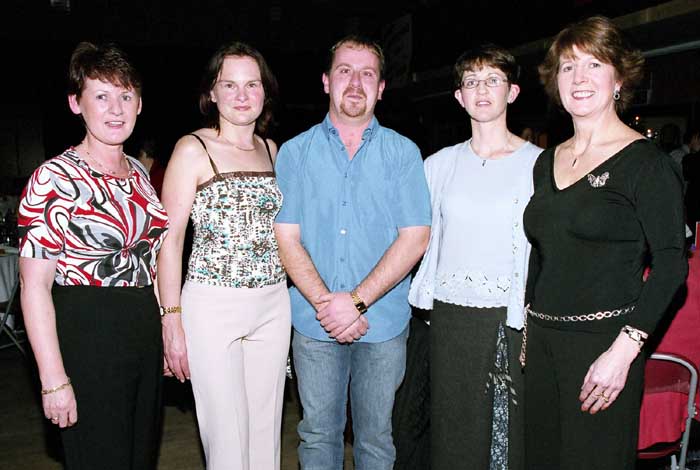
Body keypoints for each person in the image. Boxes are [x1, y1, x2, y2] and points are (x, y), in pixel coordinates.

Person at [523, 16, 687, 469]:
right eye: (568, 67)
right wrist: (527, 315)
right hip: (541, 342)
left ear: (618, 77)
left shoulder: (646, 164)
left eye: (594, 65)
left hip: (604, 344)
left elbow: (673, 266)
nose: (579, 78)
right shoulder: (546, 161)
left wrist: (624, 350)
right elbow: (543, 249)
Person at [274, 35, 431, 470]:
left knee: (377, 440)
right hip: (313, 321)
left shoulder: (403, 154)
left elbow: (416, 236)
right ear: (326, 81)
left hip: (382, 324)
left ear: (381, 88)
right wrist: (330, 305)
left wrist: (356, 301)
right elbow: (287, 238)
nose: (355, 82)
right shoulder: (295, 153)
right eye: (345, 71)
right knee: (317, 436)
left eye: (368, 74)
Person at [17, 42, 169, 470]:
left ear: (139, 104)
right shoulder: (54, 178)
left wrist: (162, 332)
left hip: (141, 329)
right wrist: (52, 380)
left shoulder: (140, 175)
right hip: (87, 335)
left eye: (125, 96)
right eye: (101, 96)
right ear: (75, 103)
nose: (116, 108)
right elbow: (34, 287)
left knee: (139, 459)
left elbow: (150, 264)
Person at [157, 41, 290, 470]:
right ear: (211, 94)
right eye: (228, 85)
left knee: (266, 433)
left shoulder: (274, 151)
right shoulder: (192, 149)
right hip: (212, 305)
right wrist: (170, 318)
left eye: (252, 84)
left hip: (273, 303)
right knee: (227, 441)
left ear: (265, 92)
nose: (241, 94)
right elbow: (170, 240)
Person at [408, 43, 542, 470]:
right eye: (471, 81)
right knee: (451, 427)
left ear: (513, 92)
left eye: (493, 80)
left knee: (505, 431)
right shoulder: (438, 165)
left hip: (508, 319)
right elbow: (412, 239)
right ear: (459, 97)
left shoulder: (540, 165)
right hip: (448, 320)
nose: (481, 90)